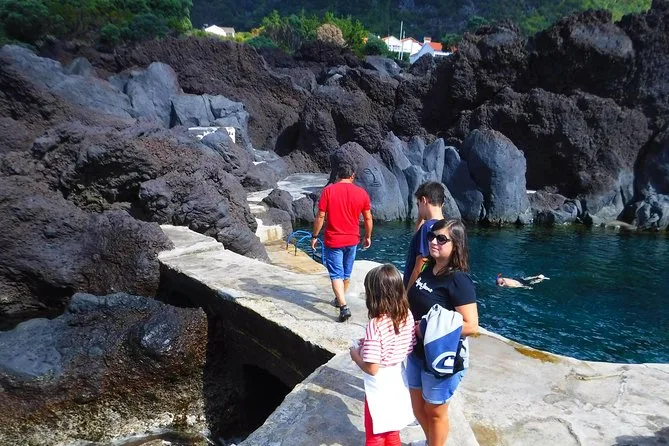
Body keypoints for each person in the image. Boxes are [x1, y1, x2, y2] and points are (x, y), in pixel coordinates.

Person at [406, 219, 479, 446]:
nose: (433, 242)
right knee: (418, 407)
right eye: (431, 236)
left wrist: (428, 328)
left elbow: (471, 325)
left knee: (435, 412)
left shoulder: (459, 280)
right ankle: (431, 442)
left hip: (441, 358)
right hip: (417, 352)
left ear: (456, 245)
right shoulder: (429, 268)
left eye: (441, 239)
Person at [350, 264, 416, 446]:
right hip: (398, 378)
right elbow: (408, 345)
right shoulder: (407, 314)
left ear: (374, 295)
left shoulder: (375, 324)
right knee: (393, 430)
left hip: (379, 387)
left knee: (375, 434)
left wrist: (356, 356)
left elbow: (372, 368)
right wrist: (370, 344)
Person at [311, 162, 373, 322]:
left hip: (334, 240)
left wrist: (314, 236)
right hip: (352, 240)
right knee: (346, 273)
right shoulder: (362, 193)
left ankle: (343, 306)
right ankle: (339, 300)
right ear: (352, 176)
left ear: (338, 175)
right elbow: (367, 218)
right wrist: (368, 236)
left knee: (336, 274)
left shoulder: (328, 191)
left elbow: (320, 216)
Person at [404, 182, 445, 291]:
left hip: (417, 288)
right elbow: (417, 238)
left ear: (424, 200)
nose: (418, 209)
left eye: (418, 205)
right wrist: (421, 216)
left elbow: (420, 265)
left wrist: (407, 294)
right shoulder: (447, 227)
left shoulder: (427, 228)